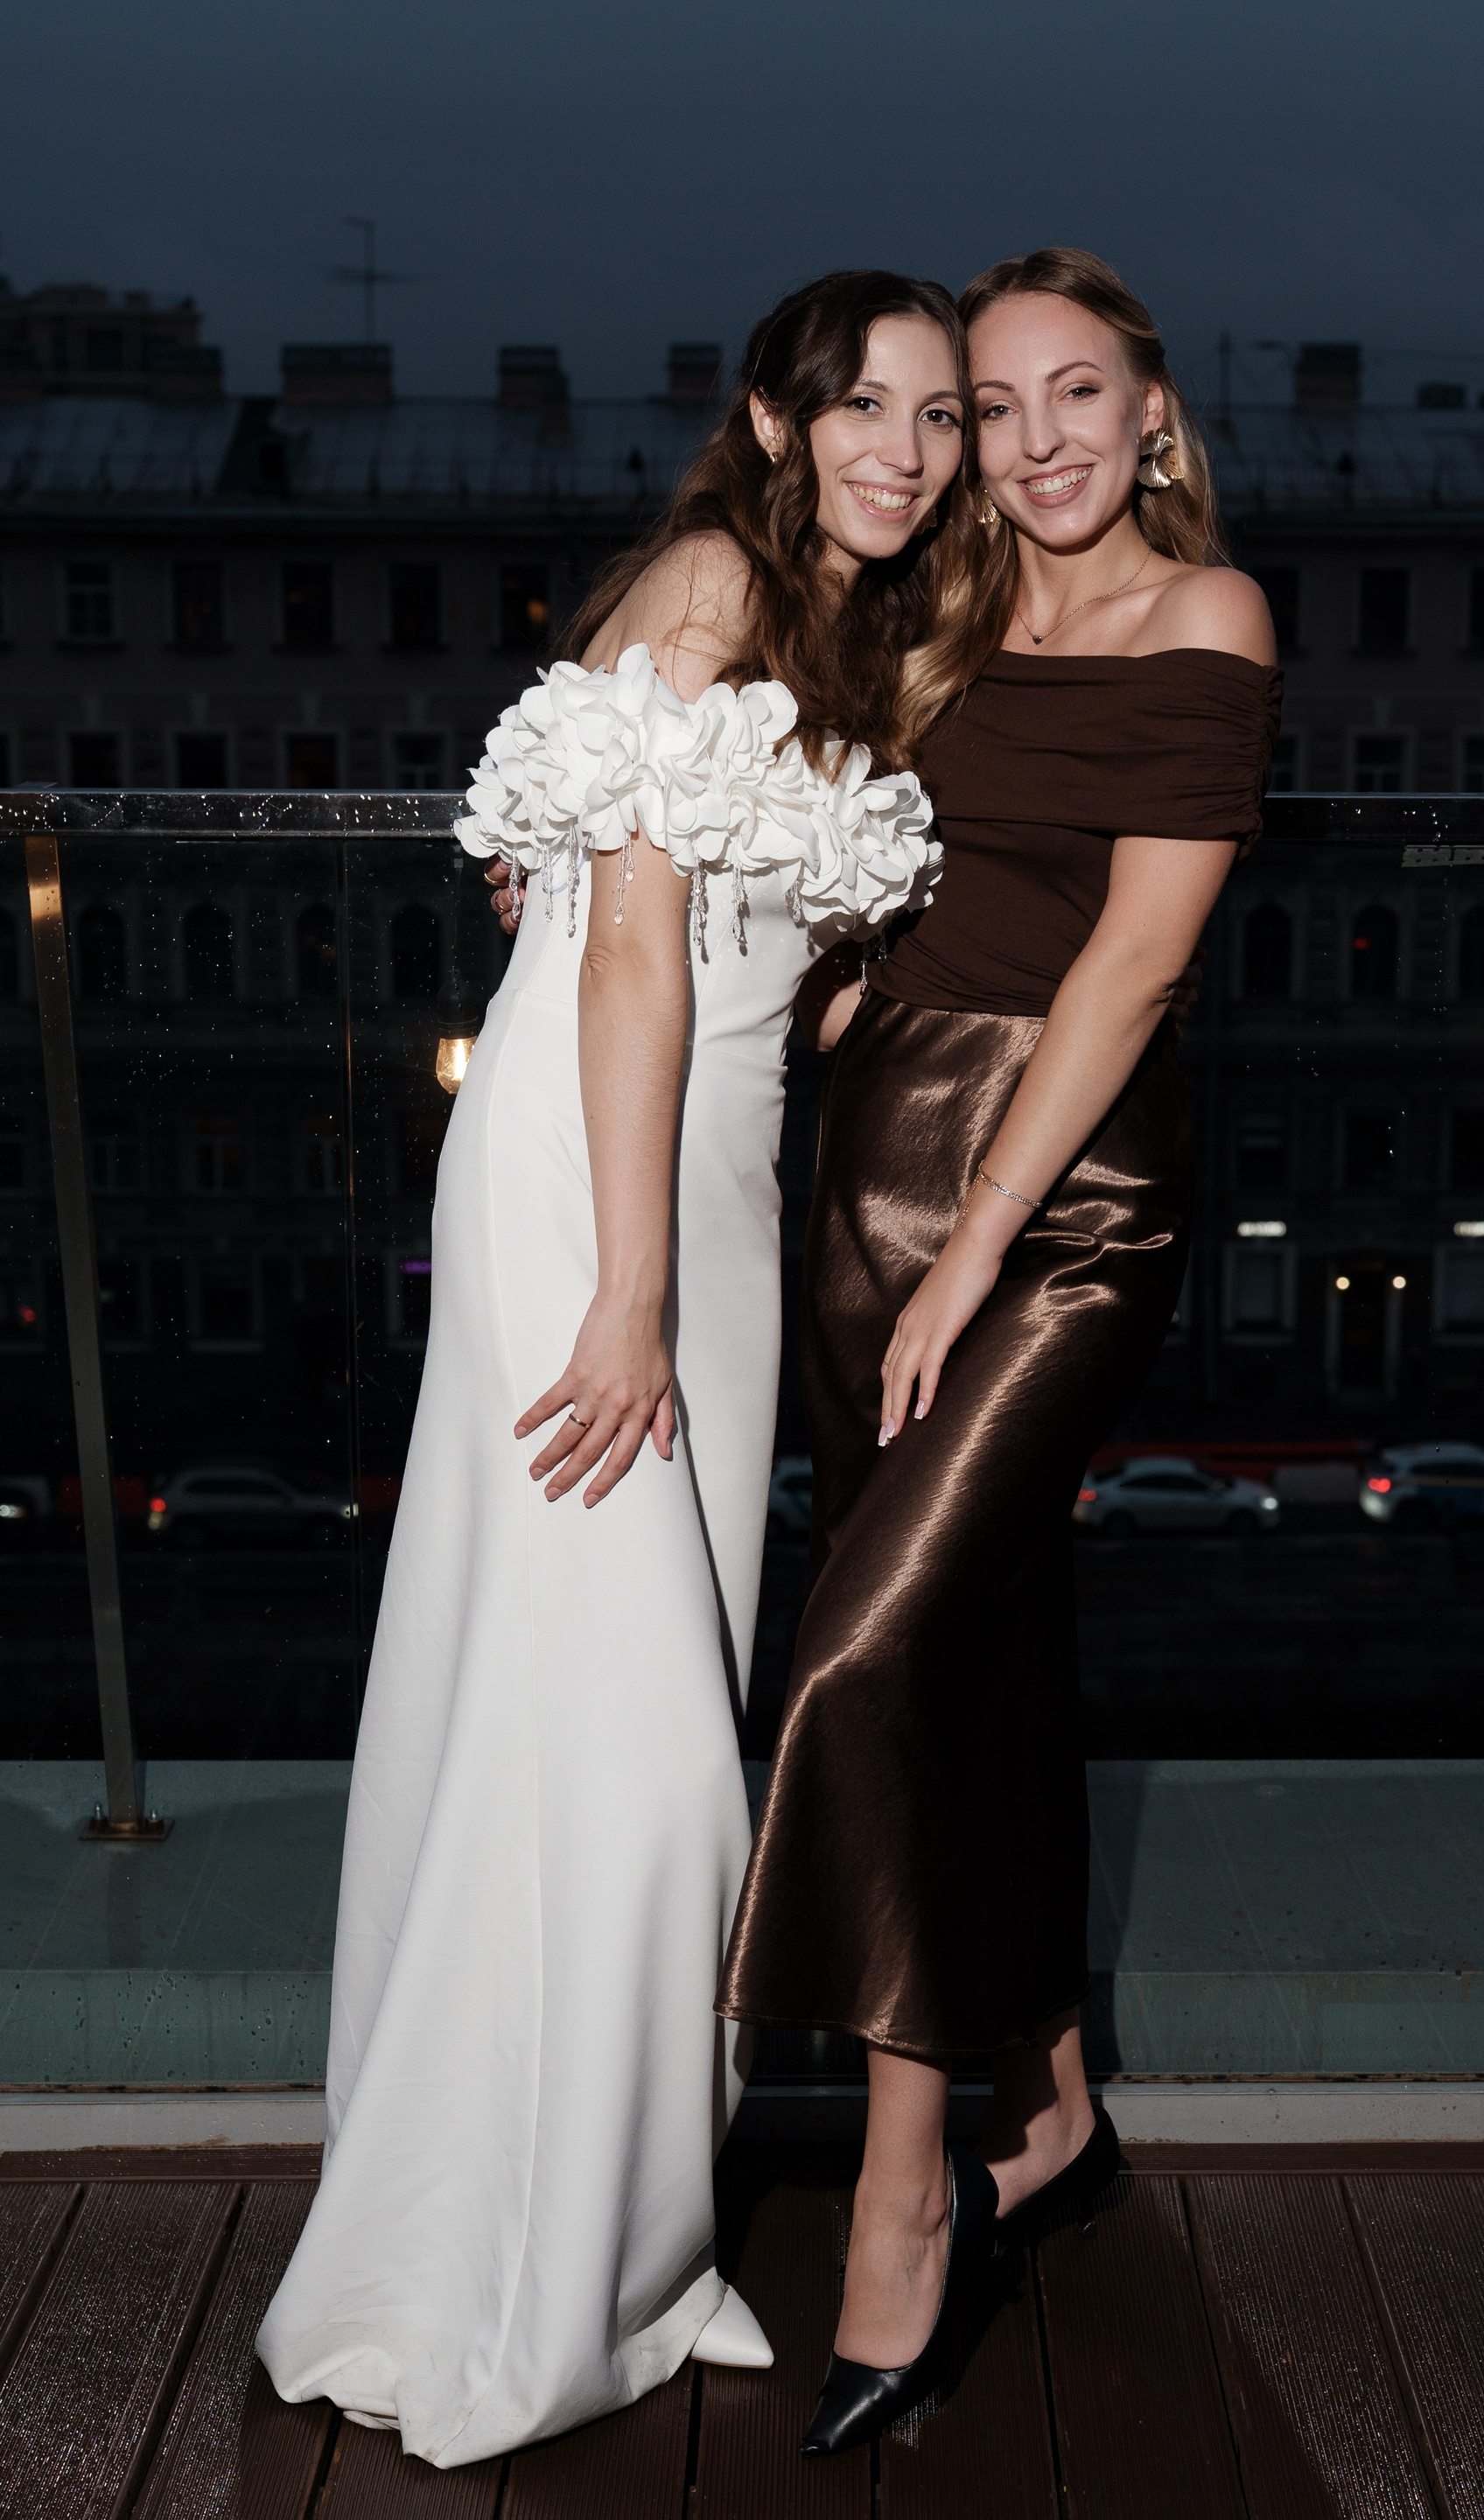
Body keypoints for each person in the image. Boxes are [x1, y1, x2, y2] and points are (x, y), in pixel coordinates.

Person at [255, 270, 972, 2468]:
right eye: (864, 406)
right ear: (771, 419)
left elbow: (747, 950)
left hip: (708, 1188)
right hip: (600, 1190)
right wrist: (631, 1288)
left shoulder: (843, 631)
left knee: (603, 1717)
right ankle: (514, 2269)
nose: (908, 450)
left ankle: (627, 2250)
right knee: (648, 1759)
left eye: (938, 415)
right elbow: (638, 951)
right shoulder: (709, 585)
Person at [717, 248, 1283, 2455]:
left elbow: (1134, 967)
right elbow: (801, 802)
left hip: (1066, 1201)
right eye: (994, 405)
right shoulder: (934, 607)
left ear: (1154, 415)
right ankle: (1048, 2102)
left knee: (863, 1660)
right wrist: (590, 869)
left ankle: (903, 2192)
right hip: (868, 1164)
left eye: (1077, 396)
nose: (1033, 442)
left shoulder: (1205, 615)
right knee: (980, 1648)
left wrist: (973, 1258)